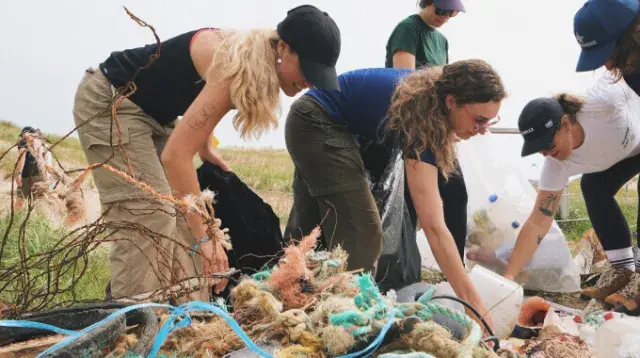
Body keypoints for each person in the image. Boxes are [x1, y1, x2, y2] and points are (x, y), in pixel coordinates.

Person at [72, 4, 341, 301]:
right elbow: (175, 156)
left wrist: (204, 146)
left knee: (182, 219)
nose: (310, 82)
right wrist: (206, 238)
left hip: (155, 116)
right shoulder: (235, 63)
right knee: (151, 214)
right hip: (112, 102)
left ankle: (186, 316)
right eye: (309, 69)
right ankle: (130, 323)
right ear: (284, 48)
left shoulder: (252, 60)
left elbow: (199, 97)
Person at [283, 59, 507, 329]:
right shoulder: (422, 117)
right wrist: (475, 305)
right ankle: (346, 321)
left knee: (312, 224)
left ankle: (290, 295)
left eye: (490, 121)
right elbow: (434, 227)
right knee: (362, 231)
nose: (483, 130)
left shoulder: (430, 105)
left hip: (333, 124)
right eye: (479, 120)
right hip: (314, 121)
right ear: (451, 102)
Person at [497, 0, 640, 312]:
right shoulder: (556, 163)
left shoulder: (604, 100)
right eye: (540, 151)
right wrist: (509, 279)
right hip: (624, 154)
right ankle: (622, 269)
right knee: (593, 187)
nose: (547, 154)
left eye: (548, 144)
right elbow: (538, 221)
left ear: (565, 123)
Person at [385, 0, 469, 260]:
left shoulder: (441, 41)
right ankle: (403, 267)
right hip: (410, 126)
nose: (444, 16)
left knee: (456, 193)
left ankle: (456, 266)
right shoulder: (408, 29)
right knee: (409, 201)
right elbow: (405, 82)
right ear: (427, 2)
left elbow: (446, 87)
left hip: (437, 129)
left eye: (451, 12)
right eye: (440, 10)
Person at [14, 127, 48, 210]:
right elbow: (45, 161)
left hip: (26, 176)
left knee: (19, 203)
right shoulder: (41, 143)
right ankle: (39, 221)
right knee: (39, 205)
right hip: (41, 176)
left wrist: (19, 173)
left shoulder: (23, 141)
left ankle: (15, 221)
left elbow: (22, 157)